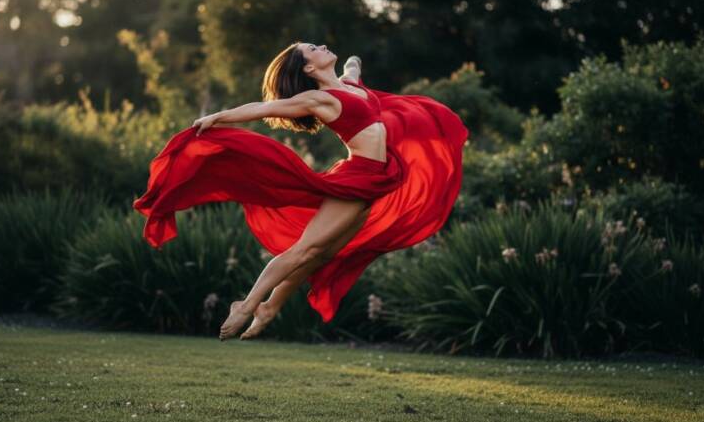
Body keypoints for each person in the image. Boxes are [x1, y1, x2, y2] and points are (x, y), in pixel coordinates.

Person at [132, 41, 469, 341]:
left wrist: (353, 62)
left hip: (376, 179)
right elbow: (263, 109)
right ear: (308, 68)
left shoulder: (351, 86)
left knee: (322, 255)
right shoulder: (318, 99)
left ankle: (270, 307)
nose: (321, 46)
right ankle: (247, 304)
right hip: (357, 179)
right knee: (305, 250)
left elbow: (353, 66)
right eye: (313, 49)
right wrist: (219, 117)